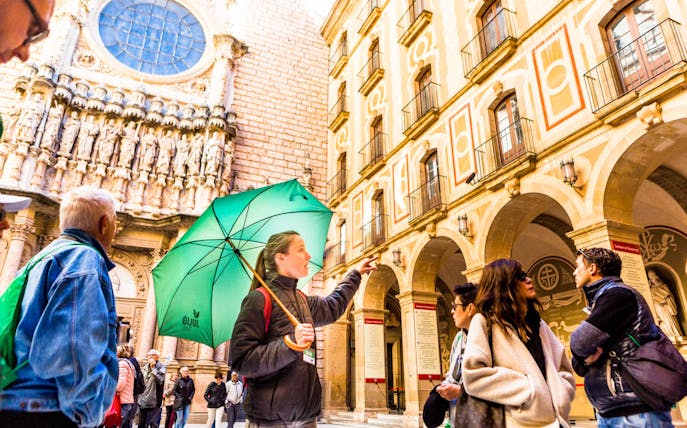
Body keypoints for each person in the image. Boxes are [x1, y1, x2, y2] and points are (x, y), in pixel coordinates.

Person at [229, 230, 377, 427]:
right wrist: (290, 344)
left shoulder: (302, 299)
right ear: (281, 258)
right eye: (301, 250)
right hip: (271, 421)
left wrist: (355, 274)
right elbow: (241, 361)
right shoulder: (258, 299)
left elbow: (333, 307)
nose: (308, 255)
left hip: (307, 418)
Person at [0, 186, 118, 427]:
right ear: (104, 223)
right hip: (48, 409)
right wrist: (85, 415)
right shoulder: (83, 260)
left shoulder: (41, 258)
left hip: (18, 402)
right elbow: (76, 347)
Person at [462, 258, 575, 427]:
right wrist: (531, 390)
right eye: (520, 276)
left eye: (527, 275)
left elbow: (563, 367)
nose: (529, 280)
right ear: (503, 283)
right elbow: (473, 375)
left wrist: (562, 392)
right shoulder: (485, 321)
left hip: (555, 421)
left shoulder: (538, 323)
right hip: (515, 421)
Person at [570, 248, 674, 427]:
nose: (574, 272)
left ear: (592, 268)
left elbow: (579, 342)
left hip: (636, 411)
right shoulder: (603, 299)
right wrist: (584, 360)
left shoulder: (618, 295)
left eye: (578, 266)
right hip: (614, 409)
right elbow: (578, 364)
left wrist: (584, 356)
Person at [432, 283, 477, 427]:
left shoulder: (490, 340)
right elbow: (452, 373)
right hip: (456, 418)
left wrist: (460, 393)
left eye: (455, 306)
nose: (452, 311)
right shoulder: (458, 339)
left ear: (470, 308)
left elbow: (496, 389)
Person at [647, 269, 683, 338]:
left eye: (652, 277)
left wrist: (662, 299)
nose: (652, 280)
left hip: (665, 308)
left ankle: (673, 334)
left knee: (668, 321)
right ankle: (665, 336)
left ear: (656, 277)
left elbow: (669, 296)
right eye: (650, 278)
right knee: (662, 322)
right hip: (658, 309)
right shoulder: (651, 289)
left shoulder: (664, 286)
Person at [138, 349, 165, 428]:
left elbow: (160, 380)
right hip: (143, 399)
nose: (151, 356)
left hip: (155, 400)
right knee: (141, 423)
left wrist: (153, 368)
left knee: (153, 423)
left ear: (157, 357)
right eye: (149, 355)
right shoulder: (144, 368)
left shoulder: (162, 367)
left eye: (153, 354)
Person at [117, 345, 137, 428]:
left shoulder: (122, 364)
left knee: (118, 424)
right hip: (125, 399)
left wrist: (111, 390)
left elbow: (121, 383)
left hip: (122, 400)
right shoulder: (127, 363)